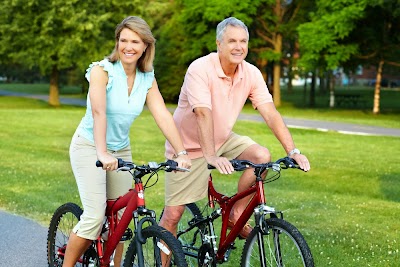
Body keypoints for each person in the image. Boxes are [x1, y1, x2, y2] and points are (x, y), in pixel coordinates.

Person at [159, 17, 310, 239]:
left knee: (261, 156)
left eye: (243, 41)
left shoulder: (251, 72)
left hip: (222, 139)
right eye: (232, 41)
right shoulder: (199, 69)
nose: (238, 47)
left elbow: (270, 112)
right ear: (219, 44)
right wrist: (210, 156)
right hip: (187, 148)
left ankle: (236, 215)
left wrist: (293, 151)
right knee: (172, 216)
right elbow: (202, 112)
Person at [63, 16, 191, 267]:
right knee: (94, 217)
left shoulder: (147, 78)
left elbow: (163, 115)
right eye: (124, 40)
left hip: (120, 148)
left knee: (122, 218)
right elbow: (99, 112)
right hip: (89, 145)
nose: (128, 46)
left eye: (135, 41)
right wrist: (102, 152)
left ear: (145, 46)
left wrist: (181, 151)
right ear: (117, 43)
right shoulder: (102, 71)